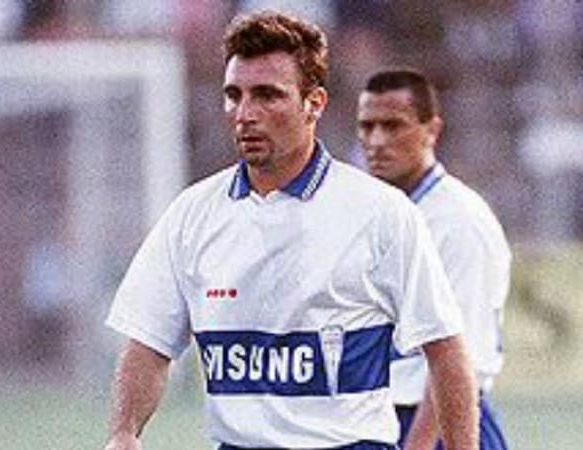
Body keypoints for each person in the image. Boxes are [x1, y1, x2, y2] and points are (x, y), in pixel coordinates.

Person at [103, 12, 479, 450]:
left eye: (267, 95)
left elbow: (445, 351)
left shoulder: (380, 213)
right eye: (234, 95)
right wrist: (123, 433)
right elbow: (149, 343)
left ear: (313, 103)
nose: (245, 114)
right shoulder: (192, 214)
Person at [356, 70, 512, 450]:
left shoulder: (459, 222)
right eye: (367, 126)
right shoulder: (378, 213)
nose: (376, 141)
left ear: (431, 130)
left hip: (440, 424)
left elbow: (460, 361)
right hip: (380, 419)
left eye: (393, 126)